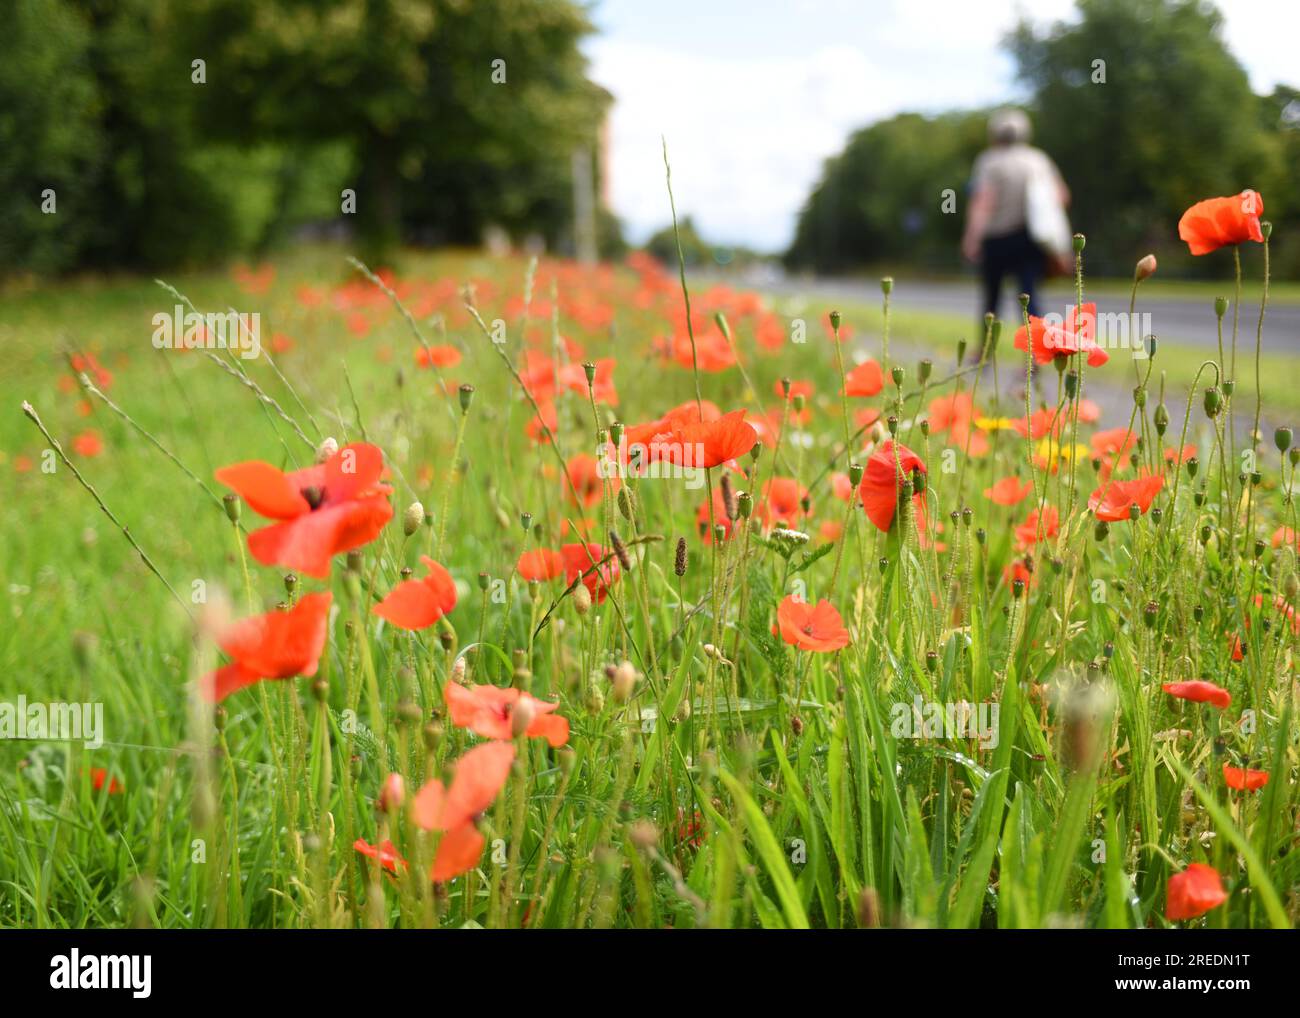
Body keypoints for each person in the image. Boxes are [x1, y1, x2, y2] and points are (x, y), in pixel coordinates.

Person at [961, 109, 1070, 337]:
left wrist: (971, 238)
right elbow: (1062, 196)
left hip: (997, 240)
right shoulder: (1039, 159)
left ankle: (983, 354)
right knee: (1029, 296)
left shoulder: (989, 160)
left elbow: (983, 202)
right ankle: (1034, 357)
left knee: (991, 299)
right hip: (1030, 239)